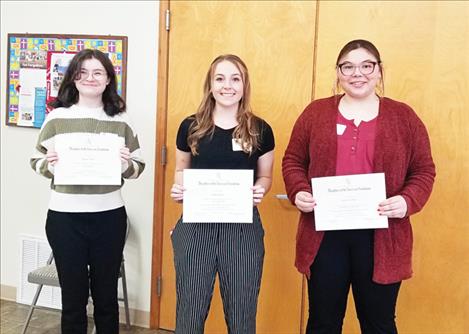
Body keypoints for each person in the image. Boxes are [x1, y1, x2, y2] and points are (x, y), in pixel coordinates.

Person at [282, 39, 435, 334]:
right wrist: (298, 189)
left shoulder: (404, 117)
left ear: (379, 72)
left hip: (382, 238)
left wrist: (407, 200)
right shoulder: (315, 113)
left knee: (378, 323)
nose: (357, 74)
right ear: (337, 73)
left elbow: (424, 170)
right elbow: (293, 160)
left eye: (367, 66)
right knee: (323, 322)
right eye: (348, 67)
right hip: (325, 235)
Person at [30, 49, 145, 334]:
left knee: (106, 298)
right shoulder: (57, 117)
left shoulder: (122, 120)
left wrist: (123, 165)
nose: (90, 78)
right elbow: (37, 161)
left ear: (108, 80)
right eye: (82, 72)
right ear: (73, 78)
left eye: (98, 73)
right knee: (73, 299)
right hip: (65, 218)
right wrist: (51, 164)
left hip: (108, 217)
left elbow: (139, 167)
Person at [169, 54, 275, 334]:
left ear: (244, 85)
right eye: (220, 78)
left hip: (242, 229)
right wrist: (179, 188)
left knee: (242, 314)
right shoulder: (190, 126)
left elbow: (265, 176)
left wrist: (260, 189)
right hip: (195, 227)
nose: (227, 86)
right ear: (210, 84)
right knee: (189, 314)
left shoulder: (260, 129)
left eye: (235, 78)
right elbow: (181, 170)